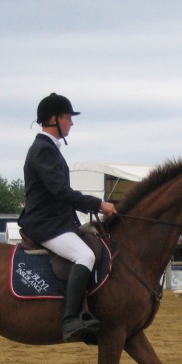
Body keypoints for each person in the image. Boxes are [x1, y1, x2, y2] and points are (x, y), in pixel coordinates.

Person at [18, 93, 116, 342]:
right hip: (45, 225)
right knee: (85, 255)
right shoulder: (43, 150)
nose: (71, 123)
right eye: (67, 118)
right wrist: (98, 204)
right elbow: (60, 192)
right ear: (53, 119)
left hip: (57, 222)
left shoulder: (50, 148)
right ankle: (71, 319)